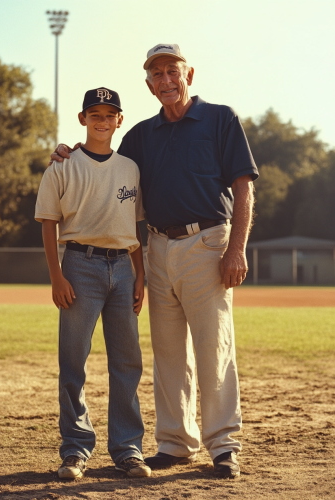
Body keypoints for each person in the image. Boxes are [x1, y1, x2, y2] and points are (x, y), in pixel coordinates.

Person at [51, 44, 259, 479]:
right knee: (167, 351)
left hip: (207, 243)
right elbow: (106, 162)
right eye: (157, 74)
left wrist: (236, 248)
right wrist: (68, 153)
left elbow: (243, 187)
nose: (165, 79)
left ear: (189, 74)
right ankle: (176, 443)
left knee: (213, 347)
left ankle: (222, 444)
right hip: (158, 247)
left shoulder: (221, 118)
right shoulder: (142, 134)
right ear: (148, 85)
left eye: (172, 71)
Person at [35, 88, 151, 480]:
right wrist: (56, 275)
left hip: (122, 269)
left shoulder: (130, 168)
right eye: (95, 114)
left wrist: (141, 275)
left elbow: (134, 226)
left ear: (120, 120)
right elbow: (49, 223)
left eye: (110, 115)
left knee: (126, 361)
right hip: (79, 266)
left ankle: (128, 449)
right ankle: (75, 450)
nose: (103, 122)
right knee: (73, 361)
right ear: (82, 118)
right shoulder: (62, 166)